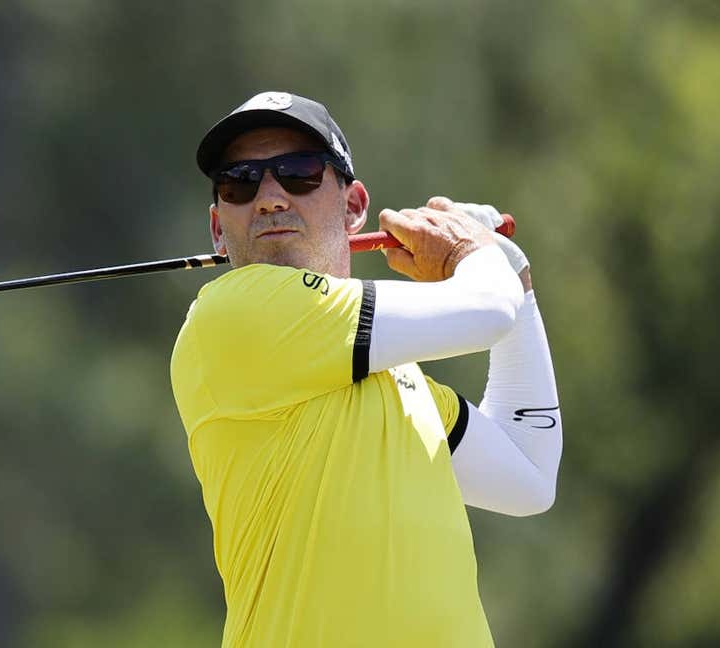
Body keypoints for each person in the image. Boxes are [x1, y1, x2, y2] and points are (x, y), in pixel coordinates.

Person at [169, 91, 562, 647]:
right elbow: (484, 311)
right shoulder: (232, 315)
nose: (269, 198)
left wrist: (515, 281)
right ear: (217, 226)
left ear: (353, 207)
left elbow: (529, 473)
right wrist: (475, 255)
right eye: (240, 181)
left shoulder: (397, 378)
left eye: (298, 173)